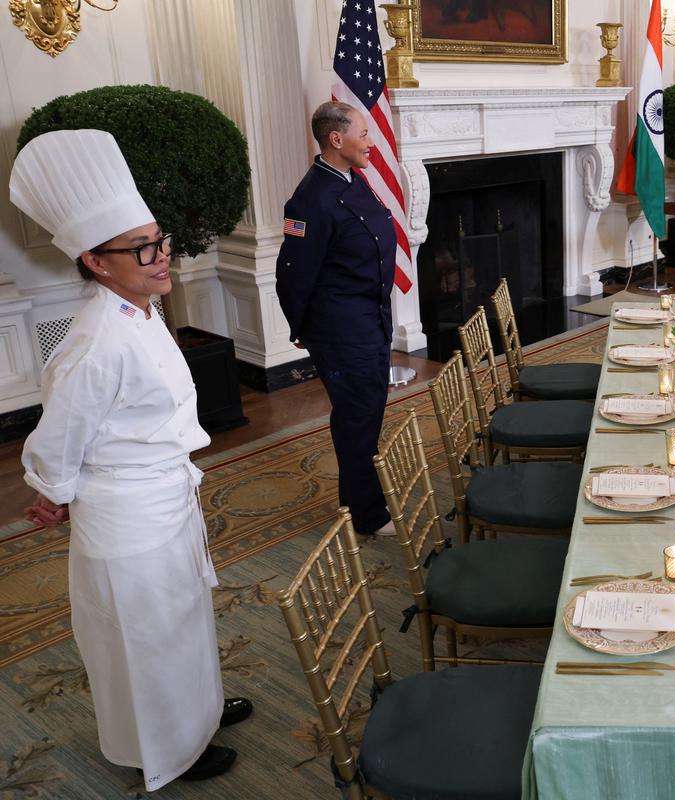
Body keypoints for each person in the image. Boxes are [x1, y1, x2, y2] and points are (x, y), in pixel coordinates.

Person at [10, 129, 252, 791]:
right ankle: (168, 750)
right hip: (127, 518)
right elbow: (57, 440)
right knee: (146, 642)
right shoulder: (94, 343)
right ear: (95, 261)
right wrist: (53, 491)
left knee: (184, 619)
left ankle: (198, 714)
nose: (160, 257)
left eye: (160, 241)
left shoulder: (138, 310)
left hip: (165, 499)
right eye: (143, 248)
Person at [276, 101, 397, 537]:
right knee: (356, 417)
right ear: (336, 139)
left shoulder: (352, 180)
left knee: (366, 413)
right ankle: (366, 515)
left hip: (369, 319)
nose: (371, 141)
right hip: (342, 330)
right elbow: (292, 274)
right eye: (364, 133)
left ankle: (360, 498)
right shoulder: (310, 200)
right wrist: (302, 328)